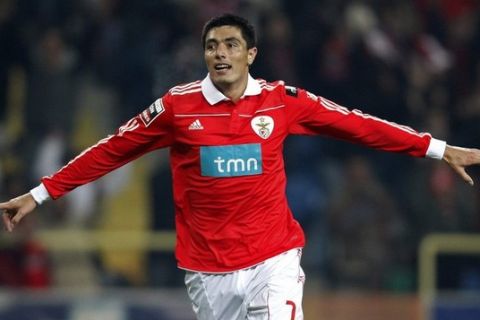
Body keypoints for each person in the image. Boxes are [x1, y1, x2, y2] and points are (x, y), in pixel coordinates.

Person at [1, 13, 480, 320]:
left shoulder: (282, 102)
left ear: (251, 54)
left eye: (230, 45)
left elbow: (357, 124)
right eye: (212, 45)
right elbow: (110, 150)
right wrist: (39, 194)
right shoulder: (176, 108)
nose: (220, 53)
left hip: (274, 257)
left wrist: (437, 149)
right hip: (207, 270)